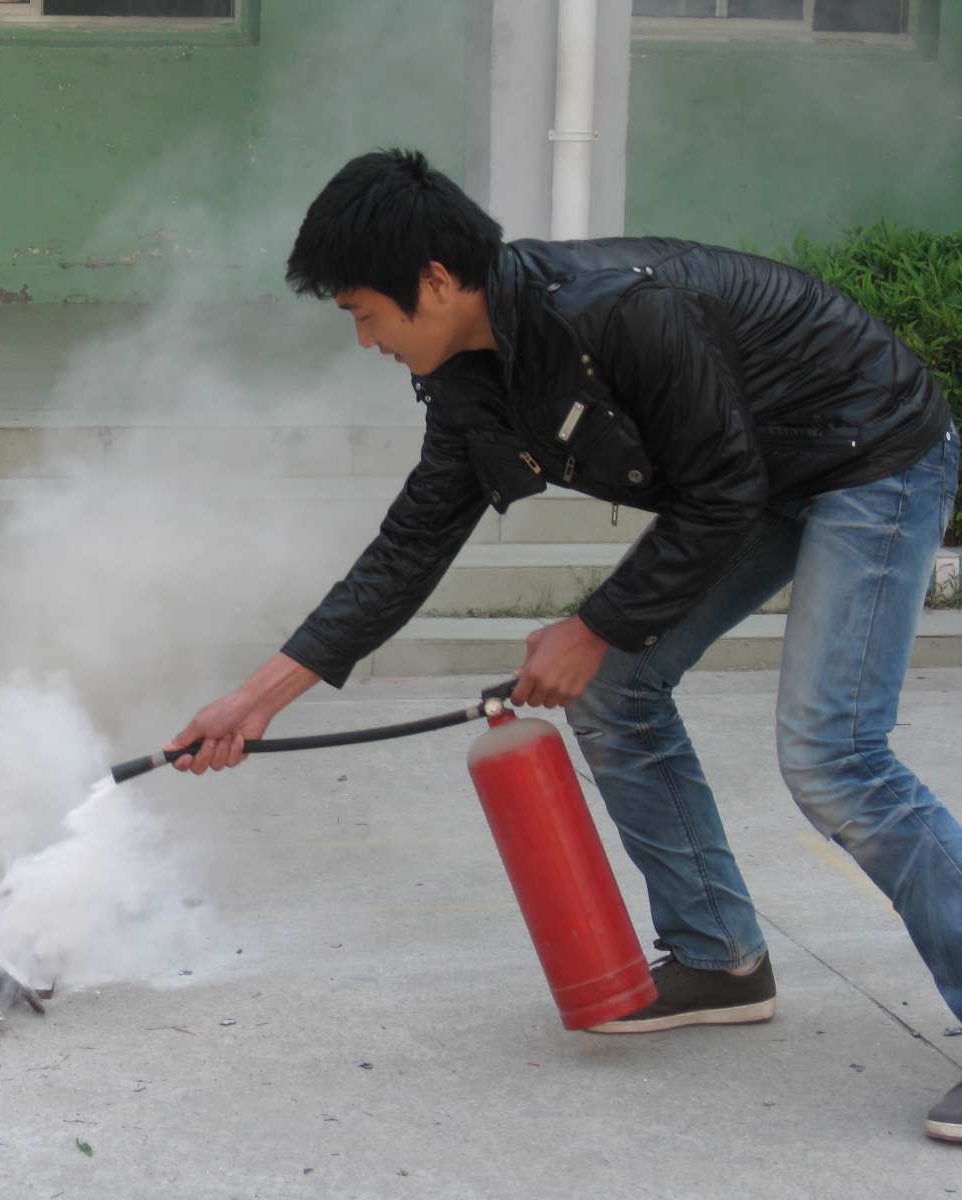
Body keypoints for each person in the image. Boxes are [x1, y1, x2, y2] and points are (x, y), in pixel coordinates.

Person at [165, 149, 962, 1141]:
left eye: (364, 313)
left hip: (869, 455)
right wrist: (254, 702)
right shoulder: (468, 376)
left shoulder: (621, 312)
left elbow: (720, 493)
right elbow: (411, 544)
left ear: (436, 281)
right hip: (755, 475)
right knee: (617, 691)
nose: (364, 340)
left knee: (833, 756)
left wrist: (592, 627)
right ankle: (718, 957)